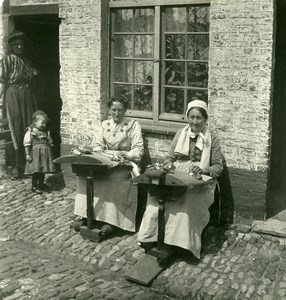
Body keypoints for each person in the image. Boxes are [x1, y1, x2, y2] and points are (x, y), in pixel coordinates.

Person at [138, 100, 224, 263]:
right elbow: (169, 157)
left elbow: (218, 167)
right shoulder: (181, 134)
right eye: (191, 117)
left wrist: (204, 170)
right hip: (178, 175)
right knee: (156, 197)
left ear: (205, 120)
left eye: (199, 118)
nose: (194, 122)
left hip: (202, 181)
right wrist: (168, 163)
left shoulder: (212, 139)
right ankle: (150, 237)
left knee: (186, 202)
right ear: (187, 117)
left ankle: (172, 246)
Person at [73, 95, 144, 236]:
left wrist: (127, 155)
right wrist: (102, 153)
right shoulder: (104, 125)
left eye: (120, 110)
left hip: (125, 163)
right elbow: (97, 145)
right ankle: (87, 215)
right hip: (106, 160)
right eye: (114, 110)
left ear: (125, 110)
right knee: (86, 177)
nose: (117, 113)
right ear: (109, 110)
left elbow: (139, 149)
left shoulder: (133, 125)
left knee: (115, 179)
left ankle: (112, 221)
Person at [0, 31, 38, 178]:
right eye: (17, 44)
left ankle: (28, 164)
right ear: (12, 45)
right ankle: (14, 165)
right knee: (14, 126)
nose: (20, 46)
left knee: (28, 126)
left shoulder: (27, 61)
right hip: (13, 94)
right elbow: (2, 80)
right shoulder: (8, 60)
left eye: (22, 44)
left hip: (27, 94)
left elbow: (33, 75)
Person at [23, 110, 55, 194]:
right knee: (36, 170)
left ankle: (41, 184)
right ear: (35, 122)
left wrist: (50, 148)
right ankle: (34, 186)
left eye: (45, 123)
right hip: (36, 154)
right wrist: (27, 154)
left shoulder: (46, 132)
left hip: (44, 154)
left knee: (43, 169)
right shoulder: (31, 132)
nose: (44, 125)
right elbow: (27, 144)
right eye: (42, 123)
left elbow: (49, 142)